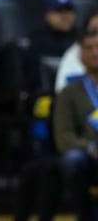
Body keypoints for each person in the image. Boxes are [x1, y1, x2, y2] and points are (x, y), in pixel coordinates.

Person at [53, 28, 98, 220]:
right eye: (89, 48)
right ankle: (84, 215)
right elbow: (64, 136)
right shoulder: (68, 92)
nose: (95, 53)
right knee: (73, 159)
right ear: (80, 56)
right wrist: (90, 148)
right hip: (88, 155)